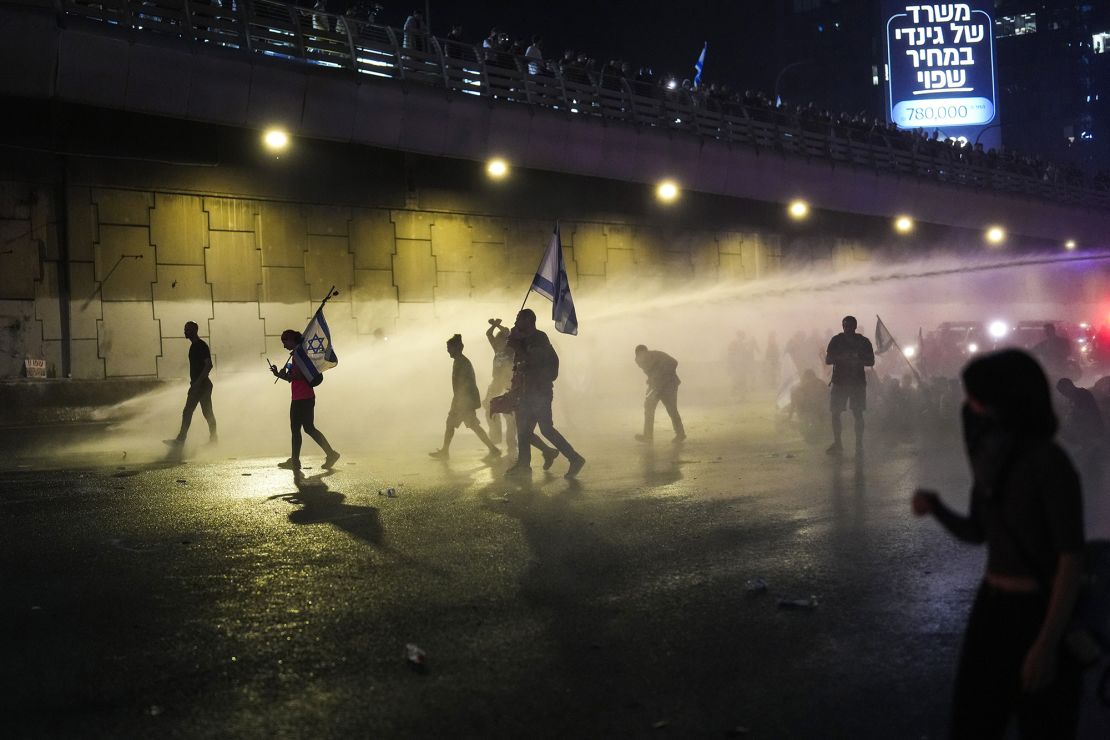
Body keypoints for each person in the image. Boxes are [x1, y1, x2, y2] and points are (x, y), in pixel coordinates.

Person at [912, 350, 1085, 739]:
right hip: (991, 609)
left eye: (977, 399)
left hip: (1039, 612)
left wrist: (1046, 644)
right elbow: (977, 533)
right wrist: (937, 508)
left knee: (1044, 724)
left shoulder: (1050, 464)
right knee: (974, 721)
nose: (970, 409)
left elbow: (1070, 561)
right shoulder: (993, 462)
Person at [505, 309, 585, 478]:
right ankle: (523, 465)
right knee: (523, 430)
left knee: (546, 429)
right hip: (528, 392)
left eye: (519, 318)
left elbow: (533, 361)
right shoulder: (524, 339)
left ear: (529, 320)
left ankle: (575, 458)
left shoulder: (539, 338)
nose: (515, 321)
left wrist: (517, 346)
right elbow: (520, 364)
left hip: (540, 391)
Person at [270, 329, 340, 471]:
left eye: (285, 342)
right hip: (305, 396)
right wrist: (280, 374)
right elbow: (296, 377)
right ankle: (329, 454)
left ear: (291, 340)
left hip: (301, 398)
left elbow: (299, 376)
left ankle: (296, 461)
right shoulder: (300, 354)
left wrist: (284, 374)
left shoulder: (299, 355)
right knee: (308, 428)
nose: (284, 346)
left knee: (297, 430)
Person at [429, 334, 500, 460]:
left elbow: (465, 385)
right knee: (456, 425)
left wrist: (461, 403)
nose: (448, 350)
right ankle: (445, 451)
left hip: (464, 401)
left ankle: (493, 449)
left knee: (470, 426)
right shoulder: (460, 361)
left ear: (457, 348)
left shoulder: (462, 362)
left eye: (449, 348)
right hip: (462, 400)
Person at [825, 315, 875, 455]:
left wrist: (857, 359)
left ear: (855, 327)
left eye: (850, 326)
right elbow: (828, 360)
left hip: (856, 382)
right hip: (840, 381)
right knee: (835, 413)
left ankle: (858, 444)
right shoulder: (837, 340)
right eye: (845, 326)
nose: (847, 329)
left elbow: (871, 362)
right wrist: (842, 358)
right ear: (843, 327)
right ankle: (838, 442)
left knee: (857, 413)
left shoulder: (863, 342)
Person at [164, 321, 217, 447]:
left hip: (201, 385)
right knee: (206, 413)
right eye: (185, 329)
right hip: (200, 385)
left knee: (189, 411)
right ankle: (213, 439)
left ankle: (181, 441)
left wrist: (197, 383)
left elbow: (208, 364)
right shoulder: (194, 346)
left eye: (187, 329)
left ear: (194, 330)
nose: (185, 331)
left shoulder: (200, 346)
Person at [633, 344, 686, 443]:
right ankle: (648, 436)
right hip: (657, 387)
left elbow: (674, 362)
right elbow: (651, 373)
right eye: (638, 355)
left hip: (669, 385)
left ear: (645, 352)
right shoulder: (639, 361)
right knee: (649, 407)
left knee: (672, 409)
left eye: (642, 354)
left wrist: (661, 375)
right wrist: (651, 381)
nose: (640, 357)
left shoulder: (658, 355)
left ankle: (680, 434)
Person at [483, 318, 515, 446]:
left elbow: (508, 333)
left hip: (509, 382)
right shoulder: (497, 348)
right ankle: (495, 437)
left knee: (509, 413)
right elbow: (488, 334)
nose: (496, 343)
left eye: (499, 341)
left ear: (505, 341)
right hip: (496, 381)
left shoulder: (511, 349)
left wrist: (499, 325)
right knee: (489, 407)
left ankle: (511, 441)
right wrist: (494, 325)